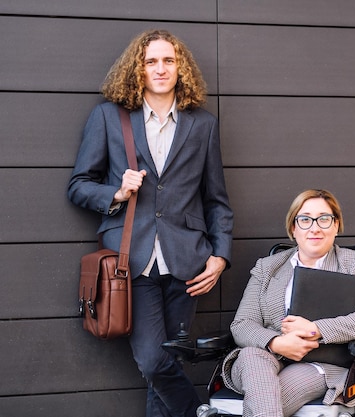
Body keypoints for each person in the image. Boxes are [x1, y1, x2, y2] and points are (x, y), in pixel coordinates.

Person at [67, 29, 233, 417]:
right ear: (137, 68)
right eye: (151, 61)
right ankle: (202, 414)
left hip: (188, 263)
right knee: (155, 362)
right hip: (130, 262)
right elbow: (78, 186)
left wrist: (220, 256)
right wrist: (116, 193)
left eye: (168, 60)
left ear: (181, 68)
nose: (160, 68)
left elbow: (217, 200)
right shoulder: (109, 117)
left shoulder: (203, 125)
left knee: (167, 366)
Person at [221, 189, 355, 417]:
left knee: (267, 397)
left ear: (336, 225)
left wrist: (316, 329)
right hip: (263, 357)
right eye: (305, 219)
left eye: (324, 218)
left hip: (319, 363)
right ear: (293, 227)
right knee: (252, 357)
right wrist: (275, 343)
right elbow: (242, 324)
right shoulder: (267, 267)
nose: (315, 227)